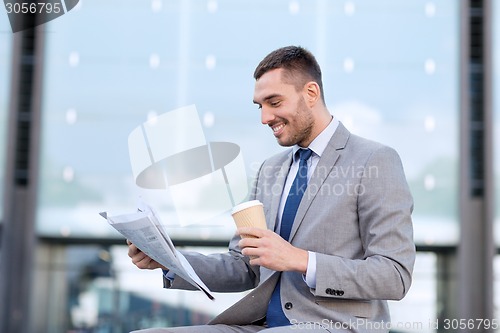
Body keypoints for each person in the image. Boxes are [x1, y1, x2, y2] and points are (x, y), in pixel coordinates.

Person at [128, 46, 415, 333]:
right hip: (262, 325)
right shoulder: (270, 169)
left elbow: (394, 274)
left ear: (311, 94)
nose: (265, 117)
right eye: (260, 106)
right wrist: (169, 261)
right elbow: (244, 266)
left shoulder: (374, 160)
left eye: (274, 102)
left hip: (334, 326)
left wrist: (300, 260)